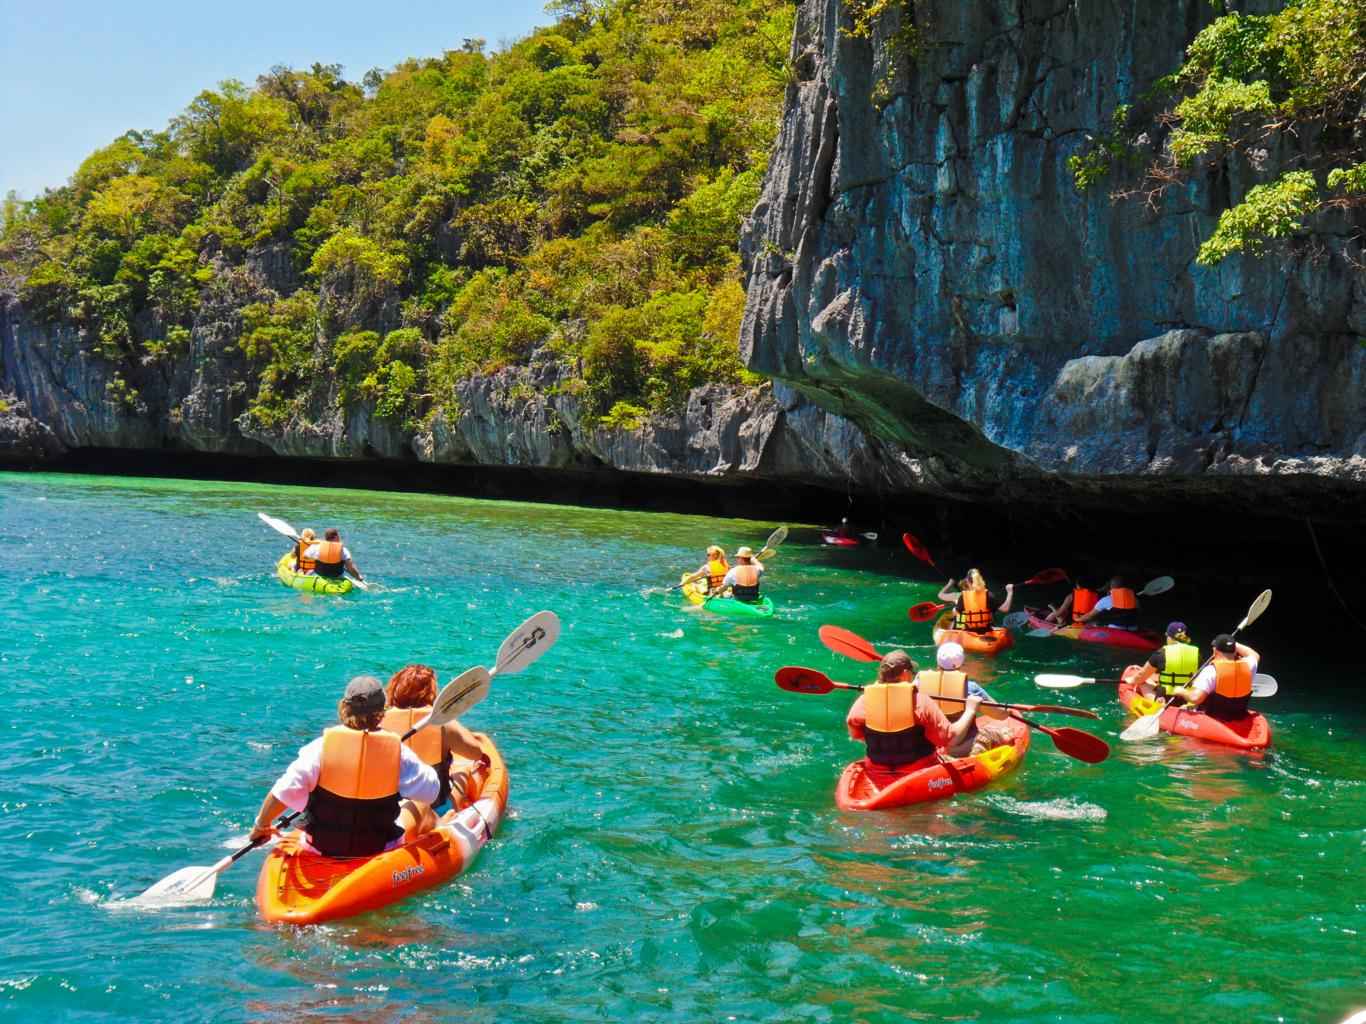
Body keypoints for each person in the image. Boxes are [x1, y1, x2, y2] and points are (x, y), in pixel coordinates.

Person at [247, 676, 439, 857]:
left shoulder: (319, 749)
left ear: (344, 708)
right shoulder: (399, 753)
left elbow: (282, 792)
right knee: (417, 804)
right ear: (382, 713)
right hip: (379, 847)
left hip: (320, 847)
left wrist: (261, 825)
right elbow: (431, 792)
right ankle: (443, 833)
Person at [845, 650, 984, 784]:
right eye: (912, 672)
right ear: (905, 674)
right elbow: (950, 739)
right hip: (918, 770)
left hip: (876, 768)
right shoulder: (921, 702)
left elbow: (855, 733)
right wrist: (970, 710)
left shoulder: (863, 701)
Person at [381, 664, 489, 817]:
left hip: (391, 808)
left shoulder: (378, 723)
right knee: (462, 771)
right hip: (436, 808)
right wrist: (450, 717)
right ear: (431, 692)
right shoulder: (441, 723)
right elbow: (476, 753)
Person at [918, 642, 1017, 757]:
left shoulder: (920, 684)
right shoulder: (970, 688)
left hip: (931, 745)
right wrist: (1008, 711)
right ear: (962, 663)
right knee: (1000, 733)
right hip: (961, 747)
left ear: (938, 662)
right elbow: (999, 715)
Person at [1167, 634, 1260, 721]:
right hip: (1239, 715)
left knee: (1187, 705)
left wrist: (1181, 691)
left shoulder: (1211, 671)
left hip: (1215, 718)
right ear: (1235, 650)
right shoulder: (1249, 665)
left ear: (1215, 650)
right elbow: (1254, 654)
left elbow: (1196, 698)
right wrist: (1233, 643)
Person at [1128, 622, 1199, 699]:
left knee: (1141, 683)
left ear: (1169, 637)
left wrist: (1130, 680)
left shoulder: (1161, 653)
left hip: (1165, 699)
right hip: (1187, 699)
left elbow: (1141, 676)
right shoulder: (1197, 653)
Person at [937, 568, 1013, 633]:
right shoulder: (988, 595)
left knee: (957, 614)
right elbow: (1005, 609)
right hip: (986, 629)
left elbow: (940, 595)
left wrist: (949, 584)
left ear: (967, 583)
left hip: (966, 629)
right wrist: (1010, 592)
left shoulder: (960, 595)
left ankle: (953, 632)